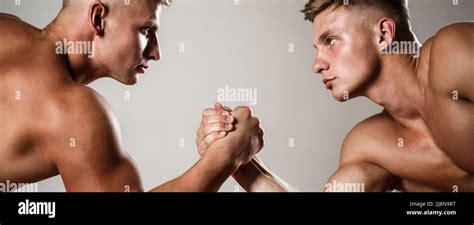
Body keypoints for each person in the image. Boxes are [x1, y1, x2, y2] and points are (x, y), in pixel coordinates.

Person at [198, 0, 474, 192]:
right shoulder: (369, 146)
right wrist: (240, 162)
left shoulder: (453, 53)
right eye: (317, 47)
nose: (317, 64)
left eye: (330, 41)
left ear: (384, 34)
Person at [0, 0, 264, 192]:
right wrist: (225, 157)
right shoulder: (75, 113)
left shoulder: (6, 24)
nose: (155, 52)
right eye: (146, 31)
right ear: (98, 17)